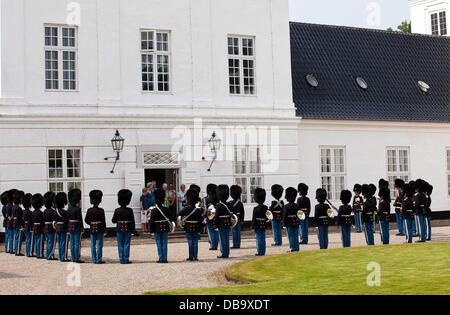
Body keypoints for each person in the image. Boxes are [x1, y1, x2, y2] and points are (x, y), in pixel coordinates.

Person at [178, 189, 203, 261]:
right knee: (195, 242)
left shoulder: (186, 208)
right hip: (196, 226)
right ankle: (195, 256)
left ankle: (191, 256)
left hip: (188, 226)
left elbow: (179, 214)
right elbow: (200, 219)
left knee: (190, 241)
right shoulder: (198, 209)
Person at [149, 189, 173, 263]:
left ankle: (160, 258)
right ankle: (165, 258)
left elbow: (151, 222)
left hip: (157, 228)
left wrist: (151, 230)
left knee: (159, 243)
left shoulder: (153, 210)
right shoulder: (166, 209)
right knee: (164, 243)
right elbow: (171, 218)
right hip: (165, 228)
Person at [112, 189, 135, 264]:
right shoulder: (130, 210)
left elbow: (113, 220)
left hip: (119, 228)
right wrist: (133, 230)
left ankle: (121, 258)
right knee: (126, 244)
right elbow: (132, 221)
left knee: (120, 244)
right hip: (128, 228)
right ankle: (126, 258)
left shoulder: (117, 210)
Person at [85, 190, 106, 264]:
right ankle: (99, 259)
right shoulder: (101, 210)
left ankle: (94, 259)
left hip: (92, 228)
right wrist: (104, 230)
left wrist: (91, 223)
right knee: (99, 245)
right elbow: (103, 221)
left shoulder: (89, 210)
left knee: (93, 244)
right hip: (100, 228)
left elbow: (86, 220)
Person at [214, 185, 232, 259]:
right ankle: (227, 253)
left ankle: (223, 253)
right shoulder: (229, 204)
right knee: (227, 238)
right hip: (228, 222)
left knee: (222, 239)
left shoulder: (219, 205)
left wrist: (215, 224)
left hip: (221, 223)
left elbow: (217, 216)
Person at [67, 189, 84, 263]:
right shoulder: (78, 209)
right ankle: (77, 258)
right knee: (77, 243)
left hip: (70, 226)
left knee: (72, 243)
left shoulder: (69, 209)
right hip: (77, 226)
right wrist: (82, 228)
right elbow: (80, 219)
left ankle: (73, 257)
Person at [252, 188, 268, 256]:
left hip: (257, 224)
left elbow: (254, 218)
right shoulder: (266, 207)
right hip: (263, 224)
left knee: (258, 238)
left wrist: (253, 226)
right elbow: (267, 216)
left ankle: (259, 251)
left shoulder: (255, 208)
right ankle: (263, 251)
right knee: (263, 238)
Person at [283, 187, 300, 252]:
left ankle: (292, 248)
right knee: (296, 236)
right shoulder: (297, 205)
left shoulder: (286, 206)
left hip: (289, 223)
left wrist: (284, 223)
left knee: (291, 236)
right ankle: (297, 248)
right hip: (296, 222)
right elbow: (299, 214)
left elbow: (284, 216)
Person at [54, 192, 68, 262]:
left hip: (57, 227)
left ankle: (60, 256)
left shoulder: (55, 211)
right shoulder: (64, 212)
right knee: (63, 243)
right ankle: (63, 257)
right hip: (63, 227)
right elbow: (66, 221)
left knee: (59, 243)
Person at [204, 184, 219, 251]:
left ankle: (213, 245)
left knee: (211, 232)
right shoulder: (218, 199)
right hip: (216, 216)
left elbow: (205, 210)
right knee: (216, 231)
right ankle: (216, 244)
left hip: (209, 217)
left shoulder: (206, 199)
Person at [43, 191, 56, 260]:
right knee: (51, 242)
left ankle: (48, 254)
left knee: (48, 242)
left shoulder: (45, 211)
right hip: (51, 227)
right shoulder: (53, 211)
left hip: (46, 227)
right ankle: (50, 255)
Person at [31, 193, 45, 259]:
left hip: (35, 227)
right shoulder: (40, 213)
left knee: (36, 240)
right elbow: (42, 222)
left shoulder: (33, 212)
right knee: (40, 241)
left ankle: (37, 253)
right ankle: (40, 254)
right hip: (39, 227)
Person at [11, 191, 25, 256]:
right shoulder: (18, 208)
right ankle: (17, 251)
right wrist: (22, 224)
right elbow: (20, 218)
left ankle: (16, 250)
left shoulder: (13, 207)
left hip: (14, 223)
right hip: (18, 223)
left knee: (16, 237)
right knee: (19, 238)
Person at [22, 193, 34, 257]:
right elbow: (30, 221)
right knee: (30, 240)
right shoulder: (30, 212)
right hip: (29, 227)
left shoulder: (23, 211)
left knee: (27, 240)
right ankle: (29, 253)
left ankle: (27, 252)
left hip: (24, 226)